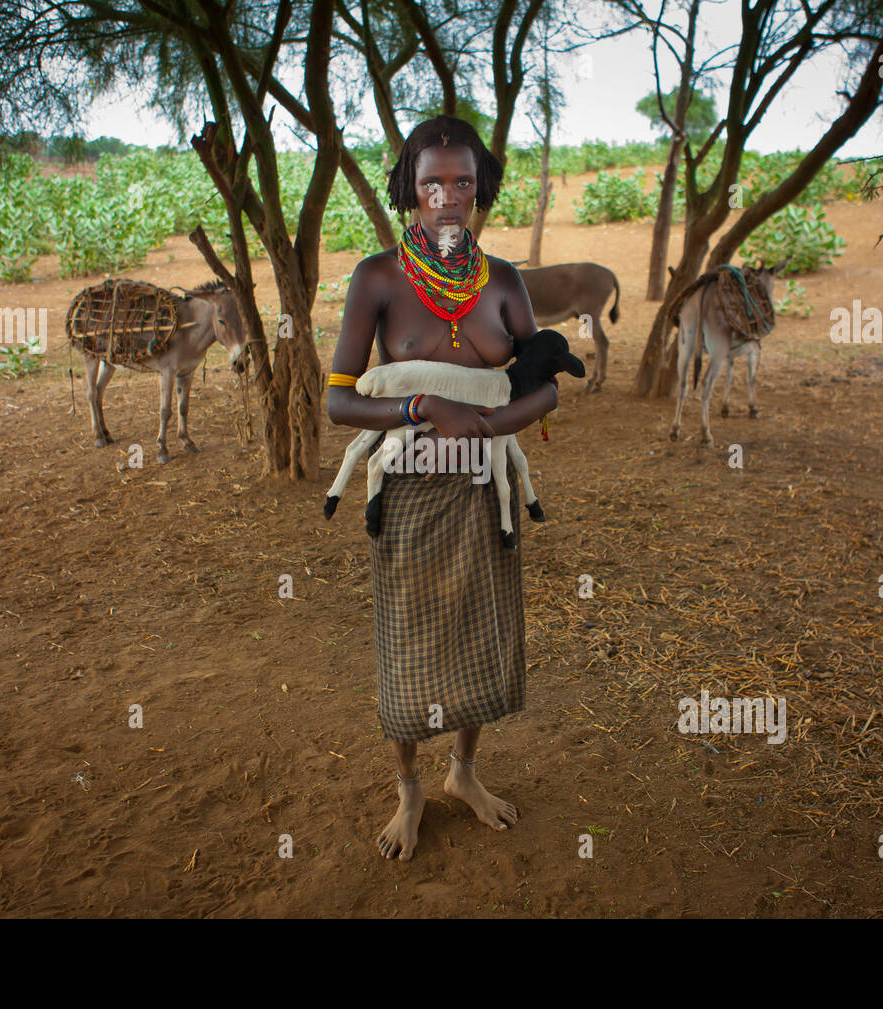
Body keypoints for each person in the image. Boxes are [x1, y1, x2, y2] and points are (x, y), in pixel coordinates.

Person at [326, 116, 558, 861]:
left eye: (463, 182)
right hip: (410, 498)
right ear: (410, 189)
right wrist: (423, 408)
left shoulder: (506, 283)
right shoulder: (378, 278)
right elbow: (338, 399)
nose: (448, 197)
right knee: (409, 647)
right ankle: (408, 787)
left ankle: (462, 771)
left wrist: (483, 428)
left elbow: (543, 388)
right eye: (433, 182)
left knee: (481, 639)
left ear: (479, 188)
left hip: (484, 495)